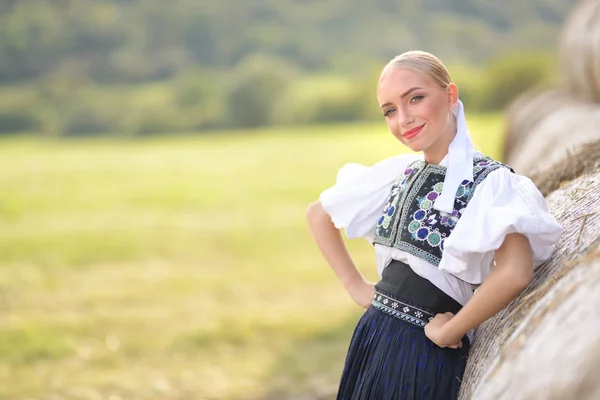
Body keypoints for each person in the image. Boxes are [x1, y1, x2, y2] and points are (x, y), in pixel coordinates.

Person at [305, 50, 563, 400]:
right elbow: (319, 213)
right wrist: (356, 286)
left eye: (416, 98)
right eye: (390, 111)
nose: (404, 118)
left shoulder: (492, 183)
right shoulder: (399, 174)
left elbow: (515, 272)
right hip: (371, 338)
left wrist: (451, 330)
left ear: (450, 96)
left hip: (424, 352)